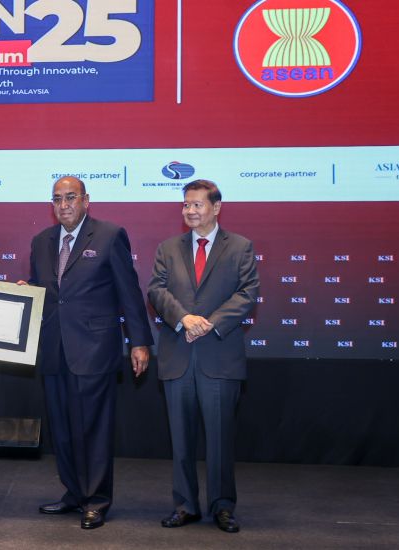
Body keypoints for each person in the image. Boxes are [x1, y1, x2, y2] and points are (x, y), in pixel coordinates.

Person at [27, 176, 153, 530]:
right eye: (57, 199)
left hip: (94, 349)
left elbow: (129, 291)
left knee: (93, 430)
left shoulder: (110, 235)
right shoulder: (41, 241)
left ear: (86, 200)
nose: (63, 204)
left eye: (70, 197)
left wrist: (139, 341)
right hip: (53, 349)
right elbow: (44, 290)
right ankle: (73, 493)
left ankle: (96, 500)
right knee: (63, 429)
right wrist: (27, 292)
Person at [147, 179, 259, 533]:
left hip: (219, 357)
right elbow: (156, 289)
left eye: (197, 205)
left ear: (216, 207)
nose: (190, 211)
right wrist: (183, 318)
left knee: (220, 440)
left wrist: (209, 323)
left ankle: (222, 506)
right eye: (186, 205)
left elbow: (248, 294)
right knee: (180, 439)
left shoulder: (240, 247)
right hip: (178, 356)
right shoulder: (168, 247)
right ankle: (185, 505)